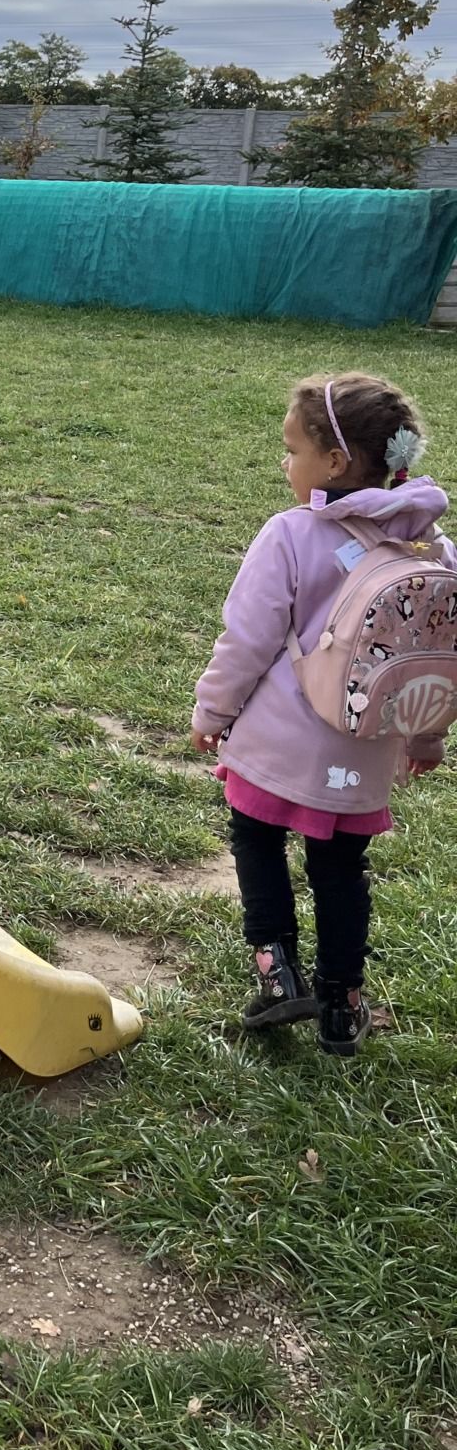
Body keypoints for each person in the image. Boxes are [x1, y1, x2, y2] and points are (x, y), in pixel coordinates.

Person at [191, 372, 454, 1055]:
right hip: (362, 753)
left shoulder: (291, 534)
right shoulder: (434, 549)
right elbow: (435, 657)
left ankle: (277, 972)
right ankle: (343, 1004)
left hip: (276, 745)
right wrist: (427, 735)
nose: (285, 463)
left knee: (255, 841)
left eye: (292, 450)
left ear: (334, 462)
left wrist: (212, 712)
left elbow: (246, 640)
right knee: (340, 870)